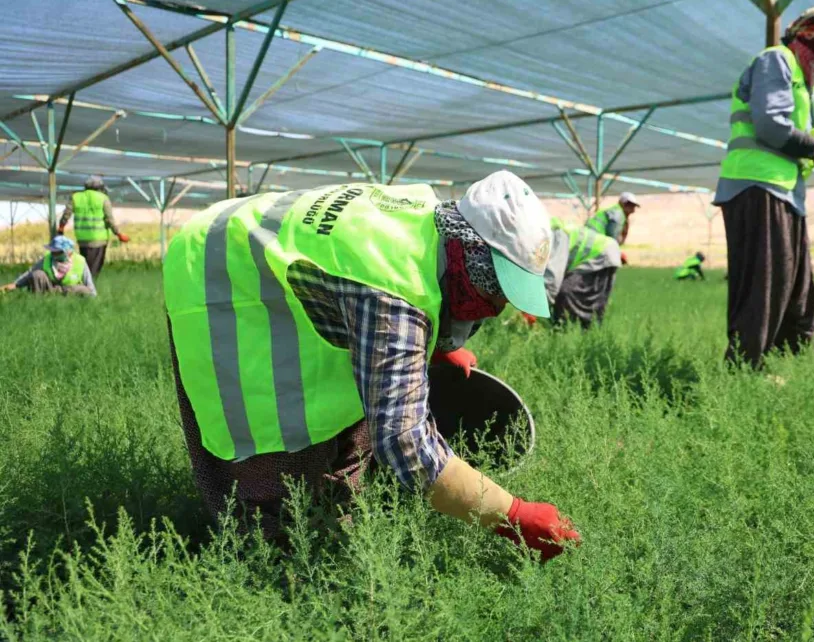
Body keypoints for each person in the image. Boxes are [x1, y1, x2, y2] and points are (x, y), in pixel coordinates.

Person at [163, 171, 579, 561]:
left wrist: (432, 343)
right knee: (272, 474)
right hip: (219, 274)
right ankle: (267, 565)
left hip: (278, 259)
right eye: (496, 287)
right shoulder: (391, 293)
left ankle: (332, 530)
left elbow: (409, 297)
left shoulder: (431, 219)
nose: (499, 305)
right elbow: (405, 443)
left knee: (355, 426)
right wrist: (514, 515)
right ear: (466, 249)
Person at [713, 6, 814, 368]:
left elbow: (802, 145)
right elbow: (770, 125)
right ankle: (744, 373)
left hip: (787, 193)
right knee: (763, 291)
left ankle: (790, 371)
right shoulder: (776, 61)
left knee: (798, 296)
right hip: (755, 184)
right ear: (802, 33)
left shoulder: (812, 94)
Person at [542, 219, 622, 328]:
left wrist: (536, 308)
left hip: (601, 256)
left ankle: (571, 331)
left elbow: (553, 276)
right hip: (598, 255)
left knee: (566, 294)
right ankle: (568, 330)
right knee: (569, 299)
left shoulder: (555, 234)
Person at [57, 175, 130, 278]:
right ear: (100, 187)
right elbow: (109, 219)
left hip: (82, 239)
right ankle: (89, 286)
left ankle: (83, 284)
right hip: (99, 239)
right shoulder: (103, 198)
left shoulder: (76, 197)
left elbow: (66, 214)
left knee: (85, 266)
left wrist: (61, 228)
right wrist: (119, 234)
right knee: (94, 269)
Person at [1, 235, 97, 297]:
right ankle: (38, 302)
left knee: (84, 290)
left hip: (69, 292)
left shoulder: (80, 261)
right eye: (52, 251)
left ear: (67, 252)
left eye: (57, 251)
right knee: (37, 274)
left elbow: (90, 287)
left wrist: (93, 298)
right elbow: (30, 272)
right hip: (49, 291)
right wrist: (16, 284)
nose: (53, 254)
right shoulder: (48, 258)